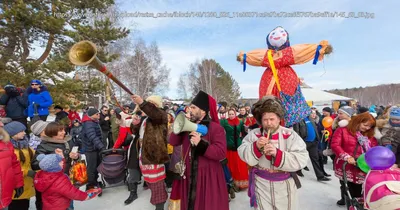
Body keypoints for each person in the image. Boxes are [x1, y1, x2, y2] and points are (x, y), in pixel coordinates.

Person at [238, 96, 309, 210]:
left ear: (278, 118)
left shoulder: (290, 134)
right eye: (265, 120)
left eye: (272, 119)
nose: (269, 123)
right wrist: (256, 146)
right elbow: (242, 152)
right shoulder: (254, 135)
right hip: (261, 184)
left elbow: (302, 158)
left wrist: (278, 153)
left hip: (285, 186)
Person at [169, 90, 229, 210]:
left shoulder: (216, 128)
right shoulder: (187, 126)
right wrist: (179, 126)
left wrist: (201, 144)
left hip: (208, 177)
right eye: (190, 107)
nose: (189, 110)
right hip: (189, 174)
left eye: (193, 107)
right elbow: (173, 142)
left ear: (203, 111)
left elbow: (221, 152)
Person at [331, 112, 378, 208]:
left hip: (363, 166)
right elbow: (335, 145)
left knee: (362, 190)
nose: (367, 128)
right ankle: (351, 205)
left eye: (370, 126)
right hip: (347, 165)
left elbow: (374, 148)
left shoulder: (369, 134)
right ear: (358, 121)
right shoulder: (342, 130)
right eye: (365, 125)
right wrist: (346, 157)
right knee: (349, 188)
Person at [130, 94, 169, 210]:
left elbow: (154, 114)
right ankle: (158, 201)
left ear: (156, 106)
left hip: (155, 155)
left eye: (150, 104)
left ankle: (159, 206)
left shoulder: (161, 115)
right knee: (151, 182)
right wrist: (135, 123)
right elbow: (135, 132)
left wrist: (142, 103)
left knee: (157, 184)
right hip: (145, 154)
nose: (147, 106)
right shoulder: (146, 119)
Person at [31, 122, 81, 210]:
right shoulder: (43, 146)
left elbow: (74, 158)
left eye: (63, 130)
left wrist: (76, 156)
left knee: (69, 204)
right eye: (60, 131)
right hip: (52, 182)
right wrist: (53, 159)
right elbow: (34, 165)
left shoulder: (67, 142)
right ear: (52, 132)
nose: (64, 132)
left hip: (66, 179)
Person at [3, 122, 35, 210]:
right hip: (15, 186)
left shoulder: (26, 147)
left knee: (25, 205)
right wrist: (26, 172)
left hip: (27, 184)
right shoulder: (9, 149)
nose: (24, 133)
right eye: (21, 131)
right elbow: (9, 168)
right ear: (13, 134)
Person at [220, 108, 248, 190]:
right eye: (230, 114)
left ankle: (240, 183)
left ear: (235, 114)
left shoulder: (240, 122)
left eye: (232, 114)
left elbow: (244, 133)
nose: (231, 116)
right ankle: (231, 184)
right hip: (229, 146)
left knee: (239, 165)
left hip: (238, 146)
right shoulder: (224, 122)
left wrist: (244, 142)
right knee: (230, 165)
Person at [0, 126, 24, 210]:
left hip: (3, 195)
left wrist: (18, 183)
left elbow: (14, 165)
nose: (2, 124)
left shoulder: (6, 143)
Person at [81, 108, 105, 191]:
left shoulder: (93, 122)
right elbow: (92, 137)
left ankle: (95, 181)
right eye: (97, 114)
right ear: (91, 115)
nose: (99, 115)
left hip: (95, 148)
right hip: (91, 149)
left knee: (96, 166)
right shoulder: (88, 124)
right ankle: (90, 184)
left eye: (99, 113)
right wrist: (101, 146)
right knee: (91, 167)